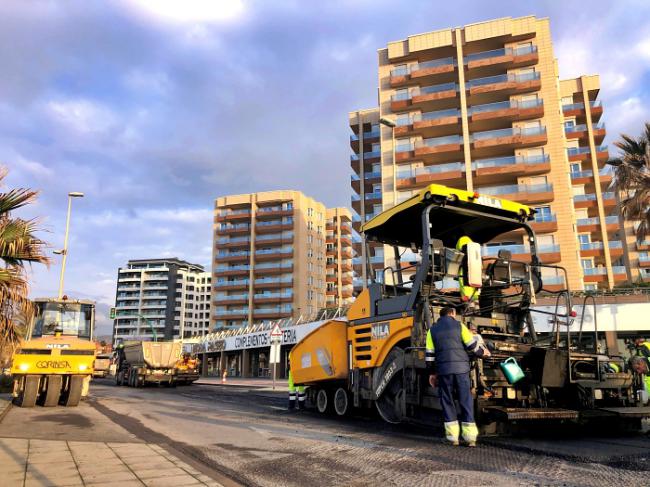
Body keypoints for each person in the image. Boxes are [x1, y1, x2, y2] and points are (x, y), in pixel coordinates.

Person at [426, 306, 490, 446]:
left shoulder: (432, 331)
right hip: (461, 370)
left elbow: (430, 355)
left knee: (447, 401)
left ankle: (452, 438)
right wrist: (482, 353)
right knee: (465, 401)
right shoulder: (459, 326)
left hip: (444, 371)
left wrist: (431, 373)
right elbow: (472, 345)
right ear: (452, 313)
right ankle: (470, 438)